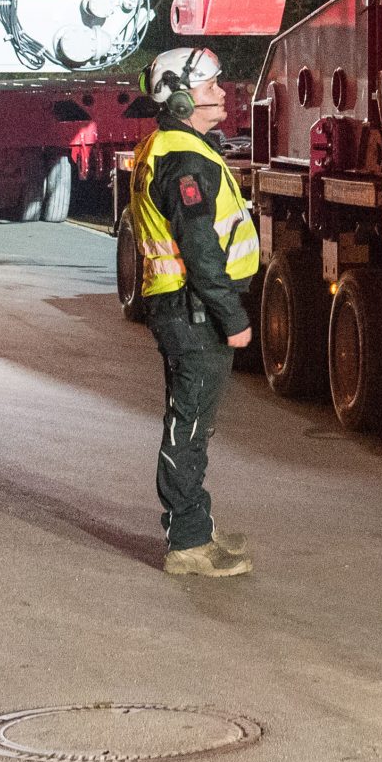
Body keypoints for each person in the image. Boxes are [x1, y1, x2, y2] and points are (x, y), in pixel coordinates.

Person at [130, 47, 261, 578]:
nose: (222, 91)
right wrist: (234, 317)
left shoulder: (174, 147)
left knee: (194, 423)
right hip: (193, 310)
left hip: (184, 307)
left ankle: (195, 527)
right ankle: (187, 544)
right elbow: (202, 250)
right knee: (189, 426)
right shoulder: (184, 160)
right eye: (210, 86)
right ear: (182, 98)